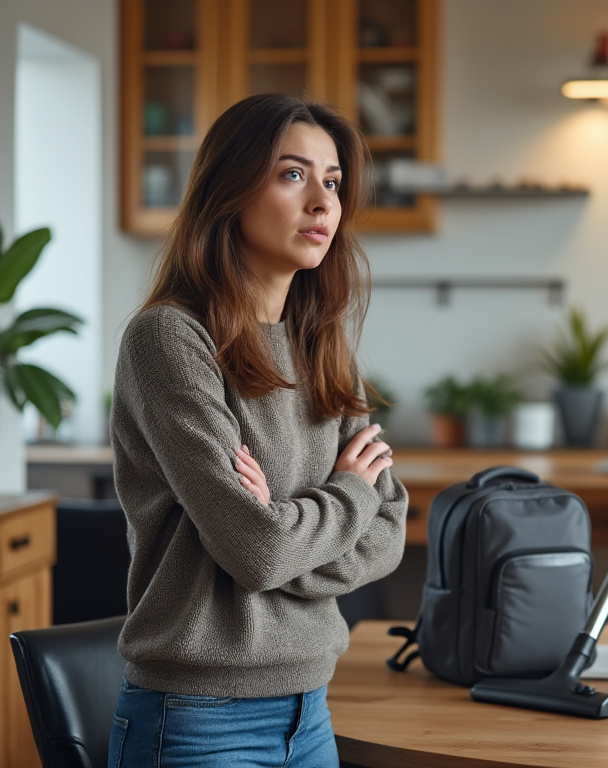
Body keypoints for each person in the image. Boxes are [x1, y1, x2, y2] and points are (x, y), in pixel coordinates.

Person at [107, 93, 408, 767]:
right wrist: (346, 496)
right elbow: (259, 552)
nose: (323, 202)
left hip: (310, 712)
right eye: (292, 174)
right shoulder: (169, 340)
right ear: (230, 189)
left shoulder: (322, 346)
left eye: (332, 181)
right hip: (195, 721)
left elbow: (389, 533)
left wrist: (279, 523)